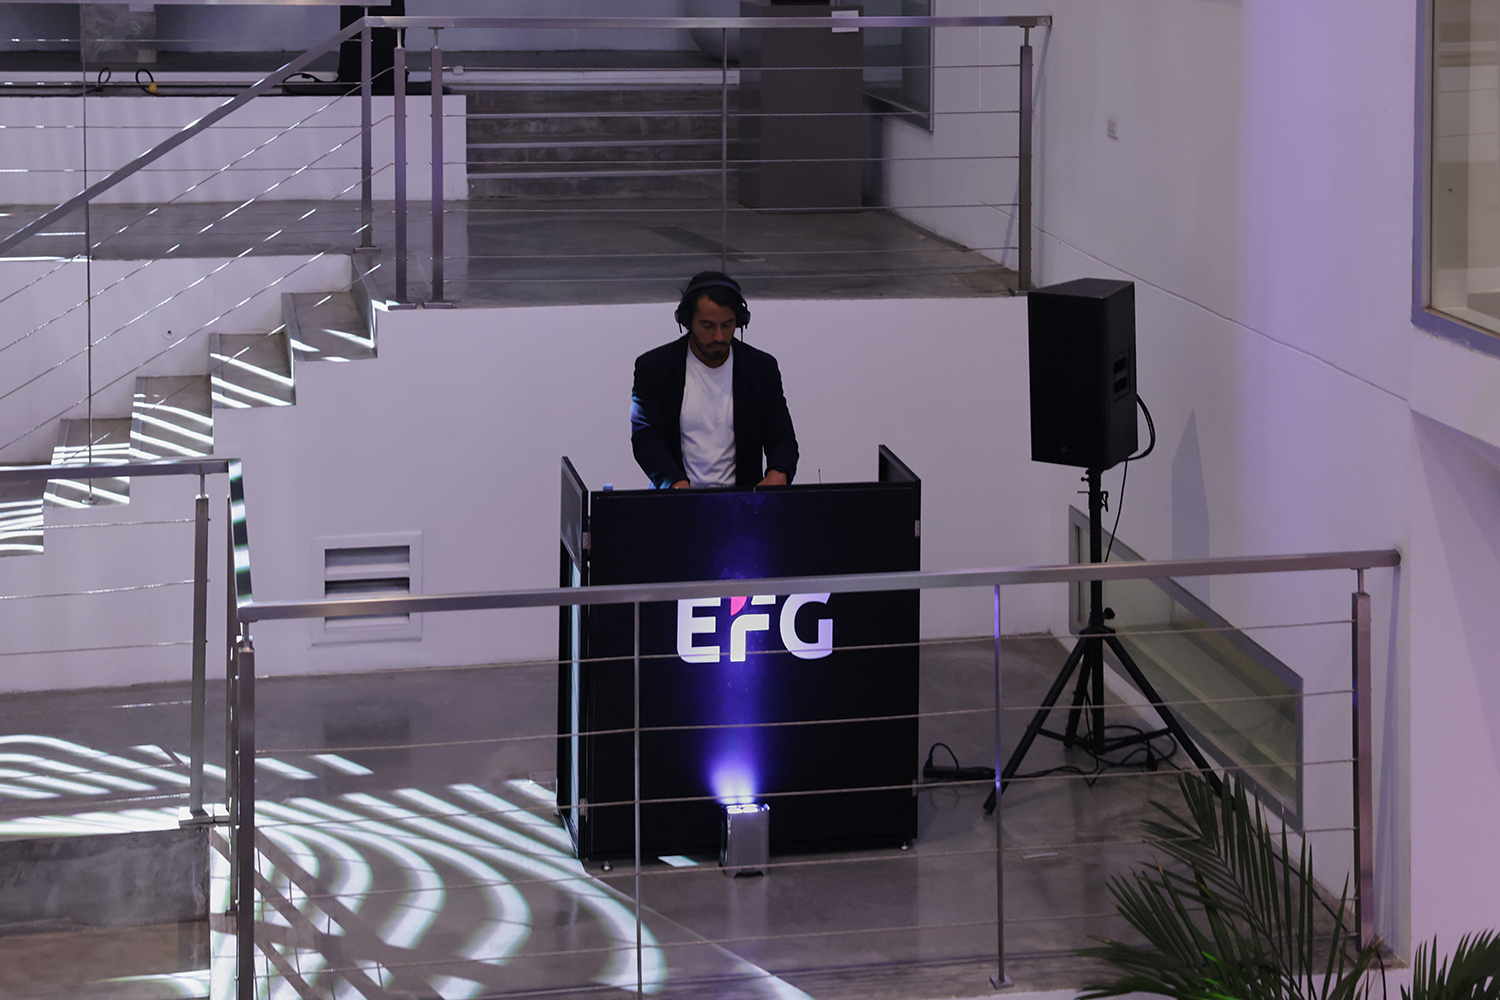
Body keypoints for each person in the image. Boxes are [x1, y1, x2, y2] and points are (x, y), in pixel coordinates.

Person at [630, 272, 799, 489]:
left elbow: (781, 436)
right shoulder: (654, 368)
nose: (719, 336)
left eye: (727, 325)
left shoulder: (761, 368)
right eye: (708, 326)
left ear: (740, 321)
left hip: (741, 501)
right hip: (676, 497)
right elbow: (646, 437)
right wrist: (674, 484)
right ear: (688, 321)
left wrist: (779, 472)